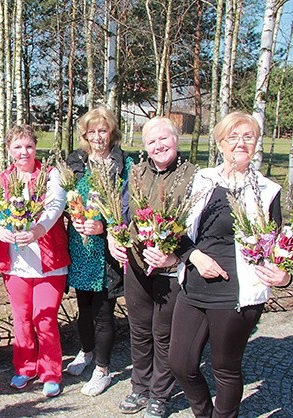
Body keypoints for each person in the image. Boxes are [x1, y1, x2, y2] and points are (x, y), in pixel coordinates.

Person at [168, 112, 291, 418]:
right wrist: (194, 256)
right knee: (180, 363)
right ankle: (203, 412)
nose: (240, 143)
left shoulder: (267, 191)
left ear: (256, 144)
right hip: (194, 285)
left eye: (248, 137)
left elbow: (277, 247)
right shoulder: (203, 180)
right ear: (220, 143)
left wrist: (285, 276)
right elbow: (177, 230)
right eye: (232, 137)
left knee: (225, 367)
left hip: (237, 293)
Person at [108, 117, 196, 418]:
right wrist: (112, 236)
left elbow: (195, 226)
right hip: (136, 265)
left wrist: (175, 255)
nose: (158, 146)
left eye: (164, 139)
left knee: (163, 334)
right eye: (151, 141)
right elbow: (122, 213)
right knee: (140, 330)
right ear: (145, 146)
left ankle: (160, 394)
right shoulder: (137, 173)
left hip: (170, 270)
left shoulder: (193, 175)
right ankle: (139, 386)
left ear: (177, 138)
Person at [0, 124, 71, 398]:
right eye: (17, 147)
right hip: (15, 262)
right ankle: (25, 367)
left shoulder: (50, 175)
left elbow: (55, 207)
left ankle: (51, 372)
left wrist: (38, 231)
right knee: (22, 318)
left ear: (36, 148)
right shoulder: (3, 178)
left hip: (49, 261)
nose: (24, 152)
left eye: (28, 146)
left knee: (45, 317)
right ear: (9, 150)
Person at [64, 107, 133, 397]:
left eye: (102, 131)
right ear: (84, 135)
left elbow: (128, 205)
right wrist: (74, 215)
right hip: (80, 246)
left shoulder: (124, 163)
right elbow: (66, 197)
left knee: (104, 312)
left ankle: (103, 370)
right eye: (91, 132)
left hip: (106, 247)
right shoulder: (76, 162)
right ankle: (87, 351)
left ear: (112, 132)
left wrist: (104, 227)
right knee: (84, 309)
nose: (97, 137)